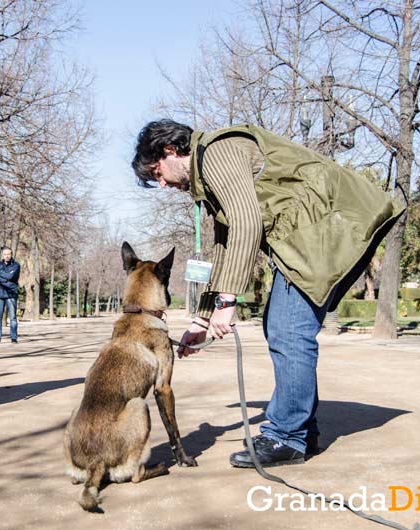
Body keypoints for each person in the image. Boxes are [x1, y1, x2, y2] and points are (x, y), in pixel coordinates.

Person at [131, 119, 404, 468]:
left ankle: (288, 437)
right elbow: (226, 243)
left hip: (326, 226)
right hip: (307, 235)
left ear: (170, 151)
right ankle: (301, 430)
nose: (163, 183)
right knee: (281, 326)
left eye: (158, 173)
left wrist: (228, 303)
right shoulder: (210, 177)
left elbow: (247, 224)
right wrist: (203, 316)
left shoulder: (216, 152)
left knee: (288, 330)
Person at [0, 247, 20, 343]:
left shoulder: (16, 265)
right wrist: (5, 278)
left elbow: (10, 276)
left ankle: (14, 338)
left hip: (11, 293)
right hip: (0, 294)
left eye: (9, 254)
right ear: (3, 255)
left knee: (13, 317)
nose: (7, 256)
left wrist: (0, 275)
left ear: (11, 255)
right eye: (5, 254)